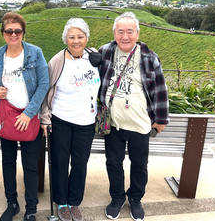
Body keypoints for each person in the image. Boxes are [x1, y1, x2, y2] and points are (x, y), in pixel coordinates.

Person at [98, 12, 169, 221]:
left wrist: (161, 119)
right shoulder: (105, 52)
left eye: (130, 31)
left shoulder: (148, 56)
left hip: (140, 123)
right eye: (121, 31)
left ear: (137, 33)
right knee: (113, 163)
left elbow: (160, 89)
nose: (125, 36)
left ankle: (135, 198)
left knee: (139, 165)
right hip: (113, 123)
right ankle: (117, 198)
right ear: (114, 33)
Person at [0, 12, 49, 221]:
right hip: (6, 116)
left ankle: (31, 208)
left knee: (30, 165)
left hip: (28, 118)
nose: (13, 34)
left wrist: (29, 113)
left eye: (17, 31)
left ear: (23, 32)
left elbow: (43, 84)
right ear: (3, 33)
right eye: (8, 31)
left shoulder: (35, 53)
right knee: (8, 162)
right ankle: (11, 203)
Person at [41, 18, 101, 221]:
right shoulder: (58, 61)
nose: (76, 41)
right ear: (65, 39)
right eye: (71, 37)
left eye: (80, 36)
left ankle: (74, 201)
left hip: (87, 121)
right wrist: (45, 118)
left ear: (87, 38)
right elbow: (46, 89)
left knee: (80, 163)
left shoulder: (93, 57)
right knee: (59, 162)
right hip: (61, 120)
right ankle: (62, 202)